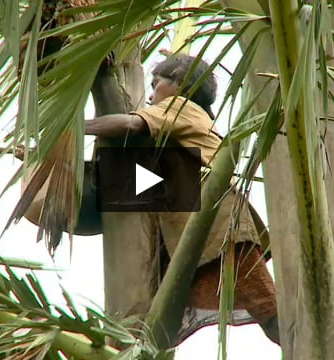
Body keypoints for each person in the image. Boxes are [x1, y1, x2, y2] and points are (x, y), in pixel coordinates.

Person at [81, 53, 280, 344]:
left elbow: (130, 125)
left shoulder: (179, 106)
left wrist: (75, 129)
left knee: (271, 311)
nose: (150, 95)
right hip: (194, 218)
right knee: (268, 313)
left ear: (181, 84)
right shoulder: (181, 132)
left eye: (156, 83)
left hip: (214, 218)